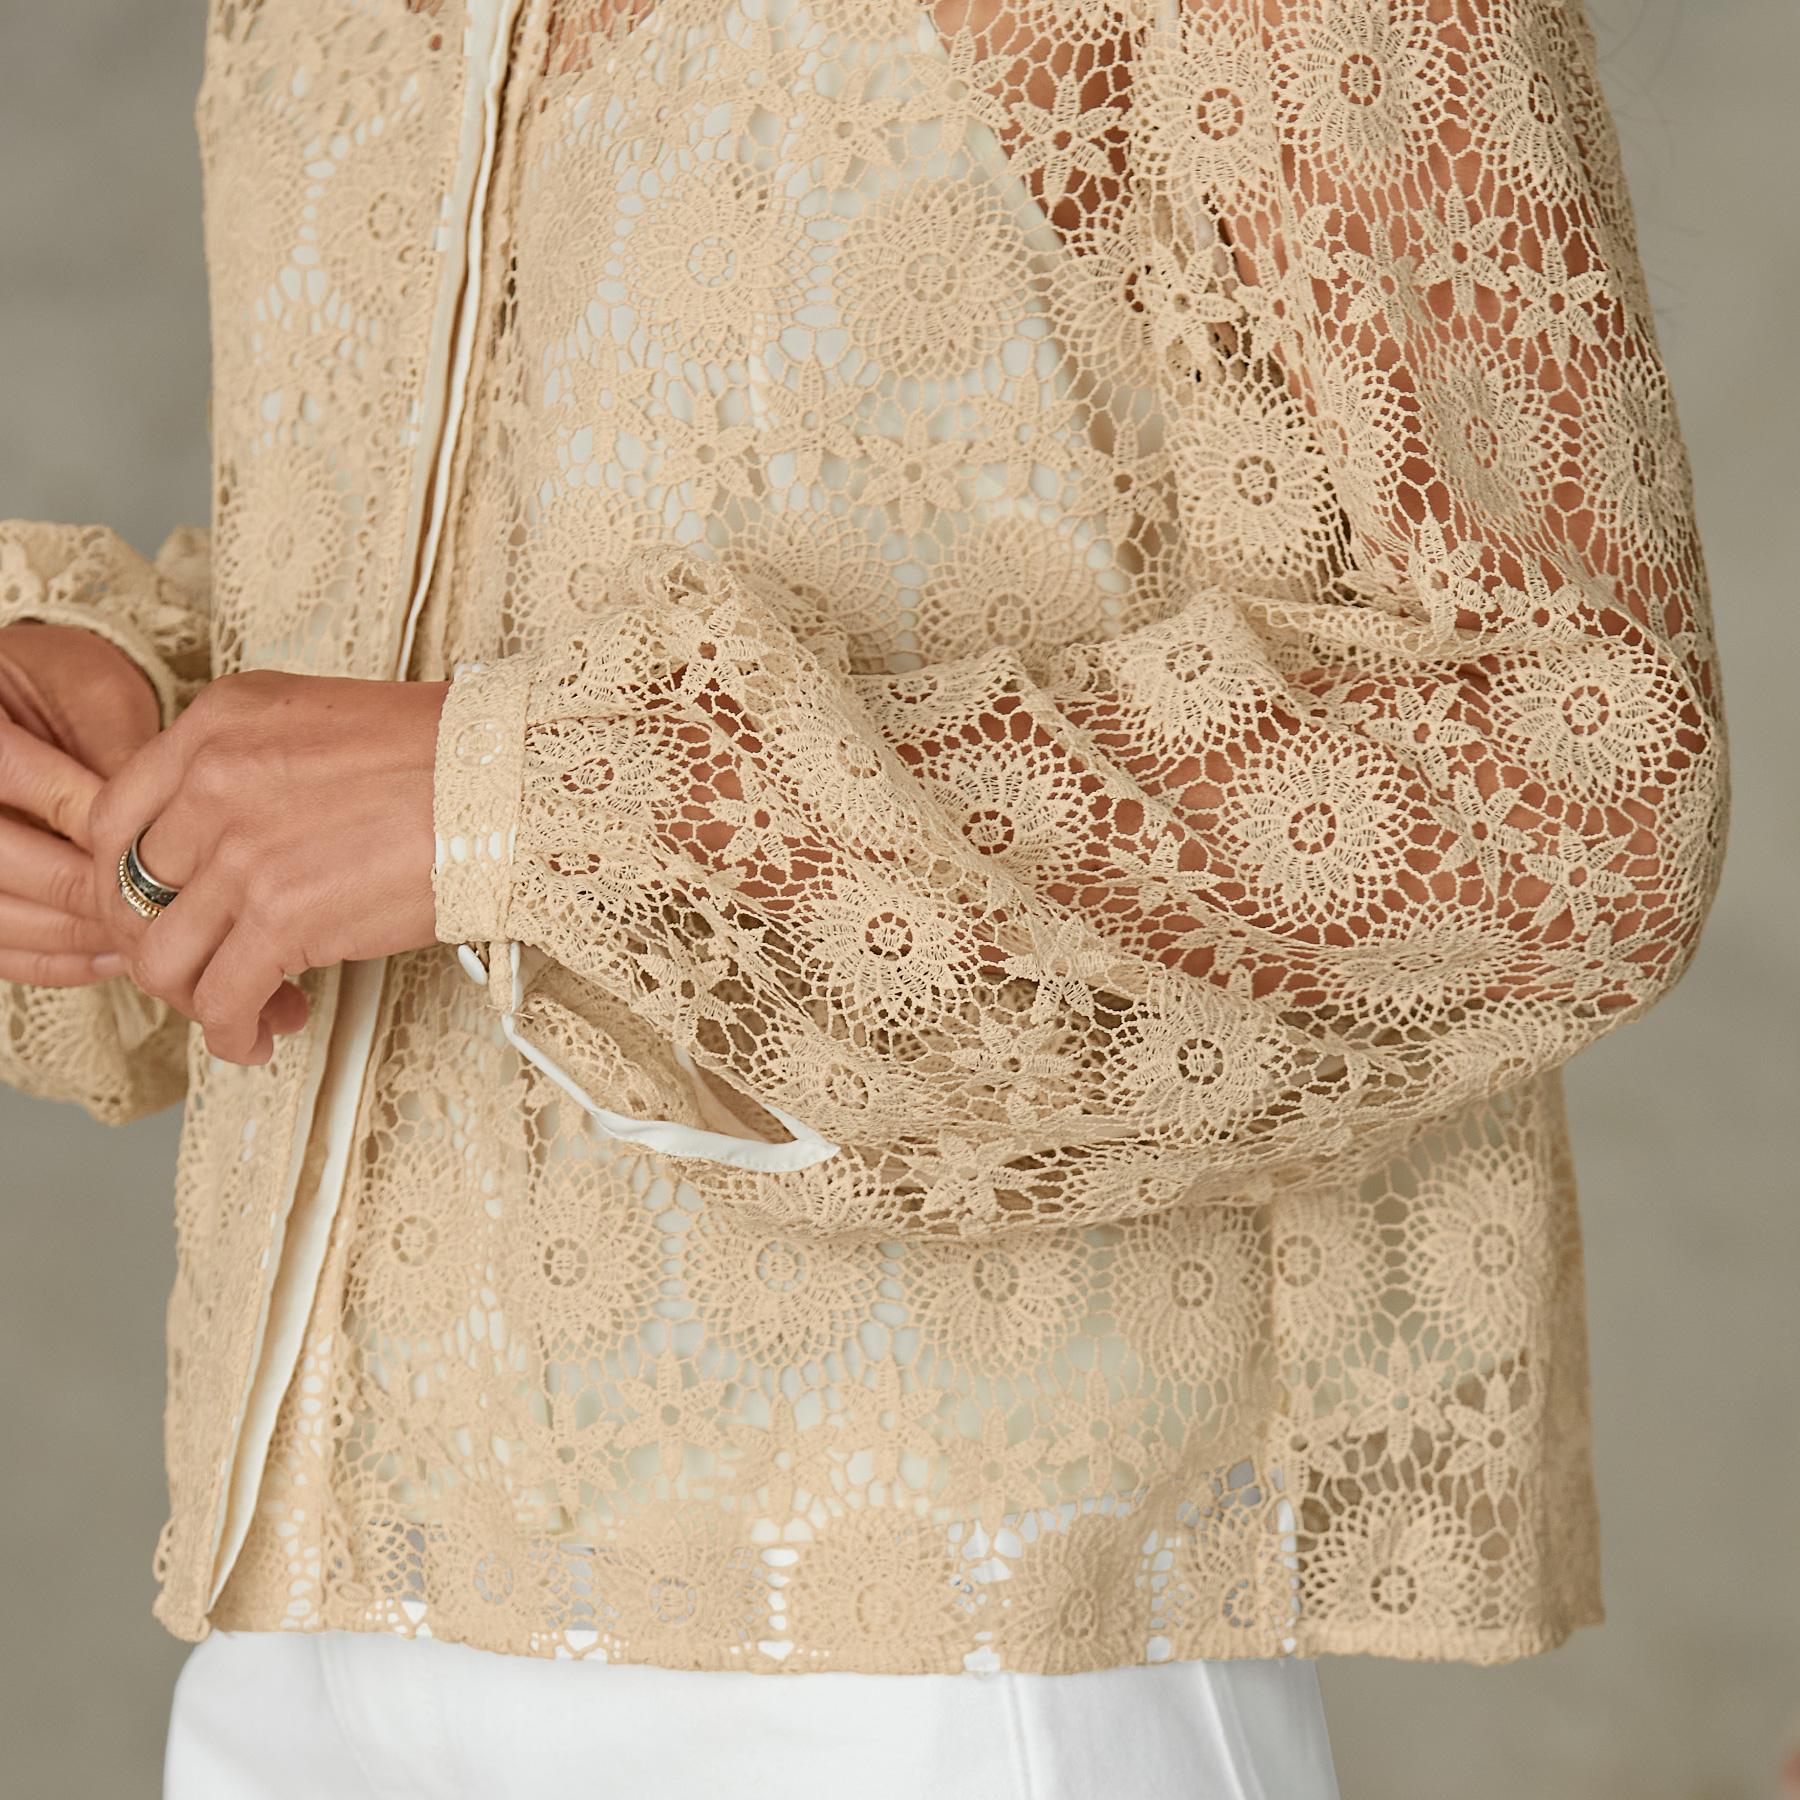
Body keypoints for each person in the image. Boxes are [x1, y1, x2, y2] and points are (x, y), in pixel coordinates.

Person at [0, 0, 1729, 1793]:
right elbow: (515, 569)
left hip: (931, 1635)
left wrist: (529, 794)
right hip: (310, 1624)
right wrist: (148, 747)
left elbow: (1583, 770)